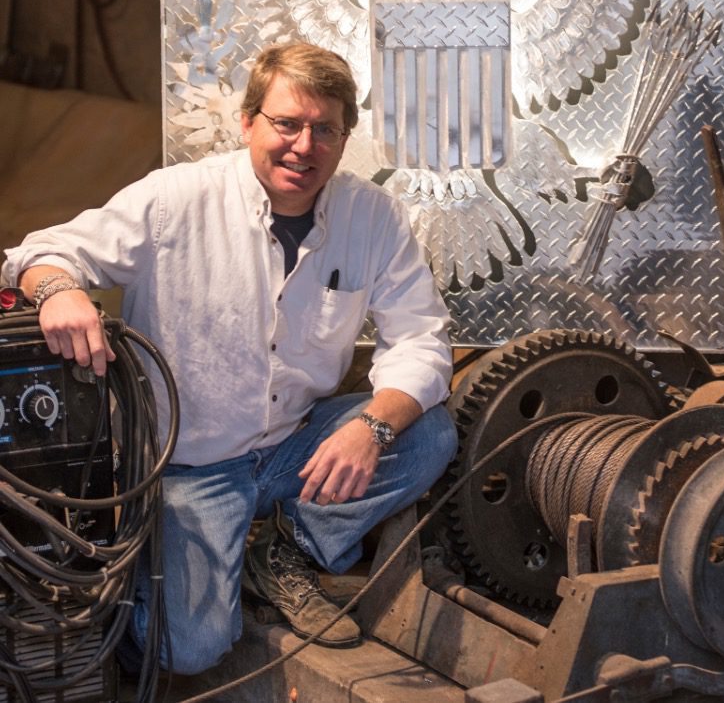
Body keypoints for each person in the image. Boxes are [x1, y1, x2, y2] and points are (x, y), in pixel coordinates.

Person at [1, 42, 457, 674]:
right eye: (287, 124)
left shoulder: (371, 216)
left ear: (346, 138)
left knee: (428, 432)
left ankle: (285, 549)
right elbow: (46, 250)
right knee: (188, 651)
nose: (304, 145)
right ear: (248, 123)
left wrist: (371, 426)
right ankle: (156, 577)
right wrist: (59, 291)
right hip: (191, 465)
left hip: (295, 446)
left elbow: (422, 339)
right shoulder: (174, 200)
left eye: (325, 129)